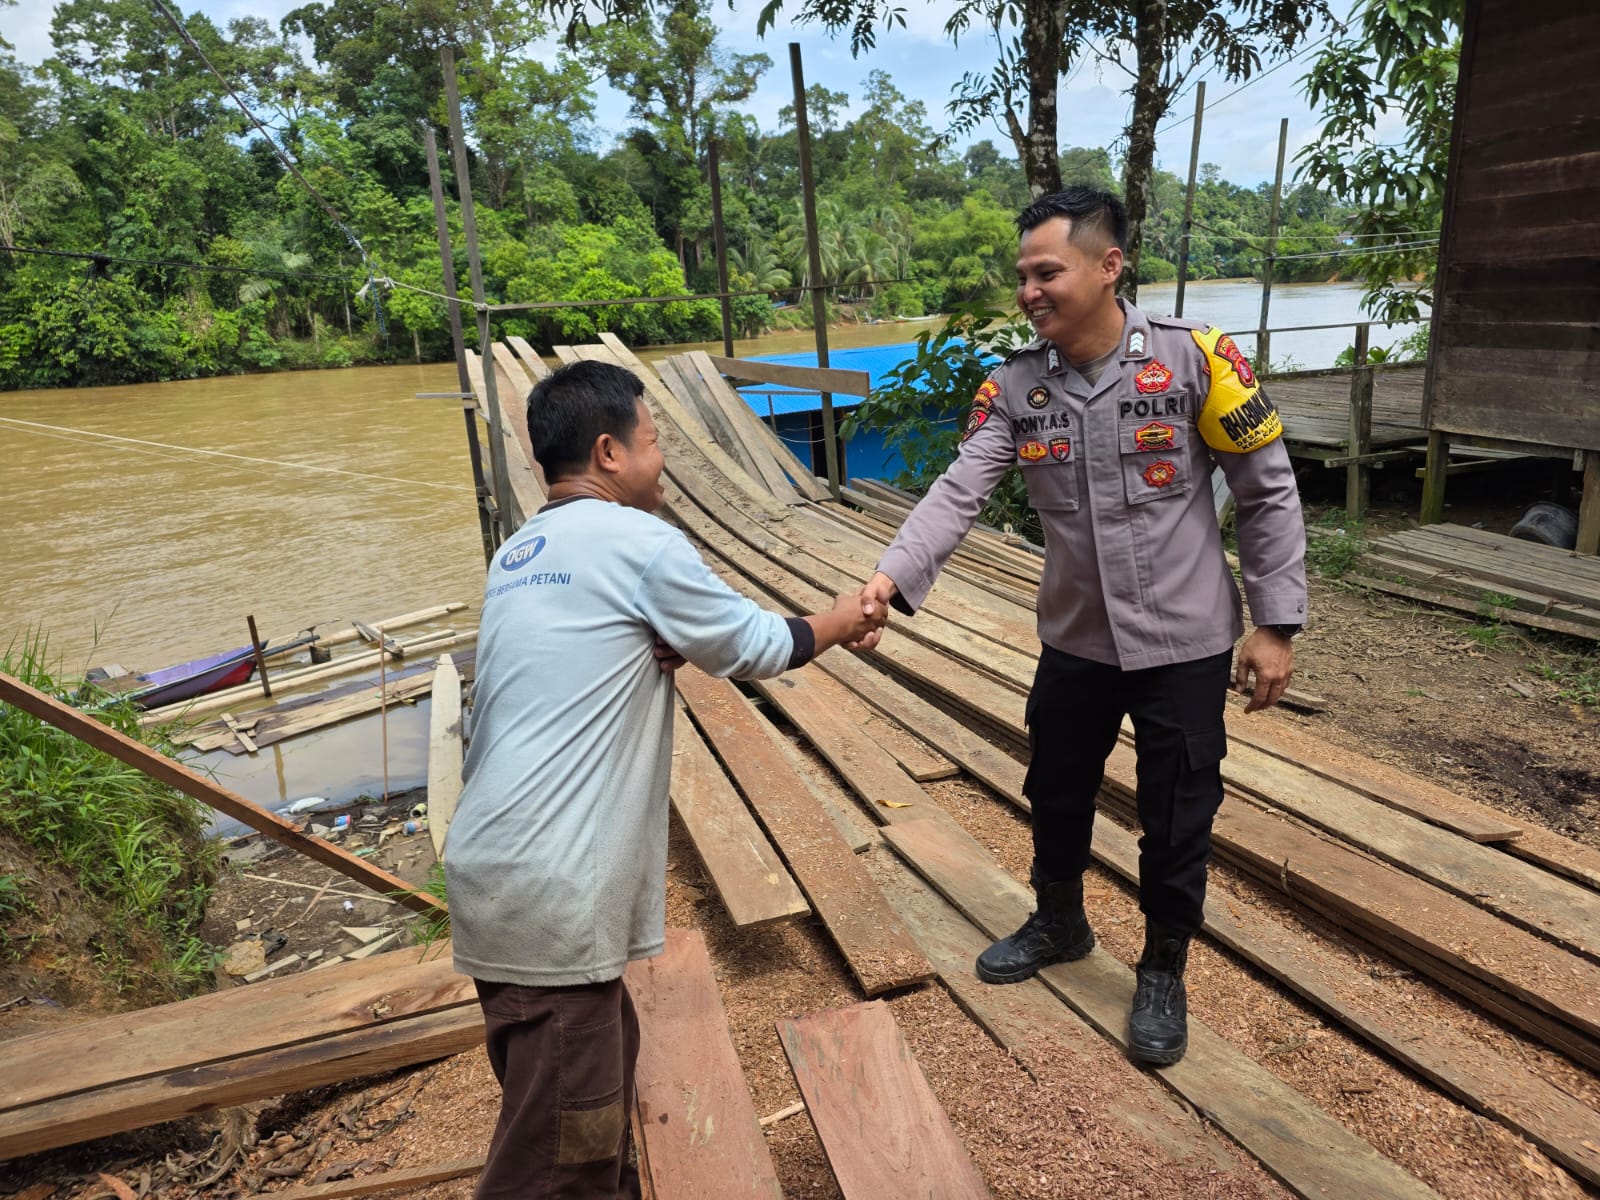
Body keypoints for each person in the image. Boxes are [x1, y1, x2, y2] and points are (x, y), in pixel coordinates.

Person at [860, 187, 1306, 1066]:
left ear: (1110, 267)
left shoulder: (1197, 362)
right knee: (1056, 789)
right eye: (1021, 275)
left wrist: (1276, 624)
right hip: (1076, 641)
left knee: (1179, 814)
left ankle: (1162, 969)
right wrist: (887, 579)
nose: (1027, 290)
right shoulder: (1018, 388)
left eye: (1046, 272)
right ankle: (1060, 921)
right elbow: (958, 491)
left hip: (1184, 643)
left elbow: (1267, 492)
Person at [445, 359, 885, 1199]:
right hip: (553, 891)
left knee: (594, 1086)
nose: (665, 459)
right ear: (610, 452)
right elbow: (757, 647)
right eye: (656, 441)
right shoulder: (639, 540)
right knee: (555, 1161)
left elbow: (574, 653)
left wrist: (662, 638)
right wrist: (845, 615)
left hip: (496, 877)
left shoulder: (519, 553)